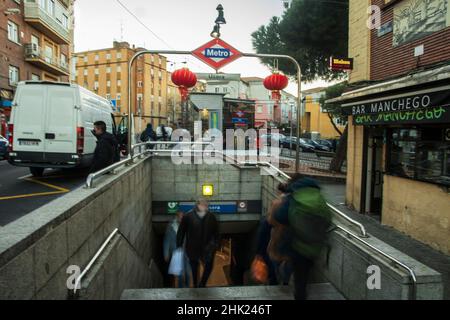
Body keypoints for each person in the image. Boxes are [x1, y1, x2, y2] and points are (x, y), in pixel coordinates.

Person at [269, 174, 331, 300]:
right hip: (315, 247)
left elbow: (279, 218)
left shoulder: (294, 198)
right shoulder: (317, 197)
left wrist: (274, 246)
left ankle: (290, 286)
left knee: (300, 283)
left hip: (298, 247)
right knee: (305, 275)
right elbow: (328, 219)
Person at [176, 200, 219, 288]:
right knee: (194, 267)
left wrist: (216, 245)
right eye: (203, 204)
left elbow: (216, 232)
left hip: (207, 248)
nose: (205, 206)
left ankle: (202, 283)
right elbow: (181, 231)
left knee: (209, 266)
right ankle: (195, 283)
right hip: (192, 247)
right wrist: (179, 244)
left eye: (206, 205)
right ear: (197, 205)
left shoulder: (211, 217)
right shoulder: (188, 216)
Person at [163, 211, 191, 288]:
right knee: (180, 274)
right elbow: (166, 240)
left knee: (188, 273)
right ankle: (181, 290)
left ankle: (187, 287)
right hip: (177, 253)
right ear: (177, 217)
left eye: (183, 217)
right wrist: (166, 253)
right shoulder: (171, 226)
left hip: (187, 252)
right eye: (180, 217)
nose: (181, 218)